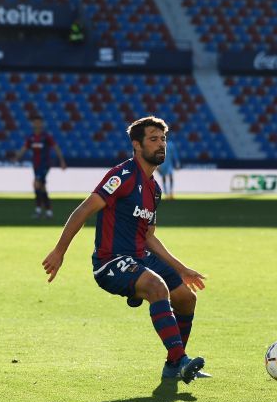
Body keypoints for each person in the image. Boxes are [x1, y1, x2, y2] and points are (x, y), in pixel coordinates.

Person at [41, 116, 208, 383]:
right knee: (157, 287)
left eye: (163, 139)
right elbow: (84, 209)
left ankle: (173, 365)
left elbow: (150, 237)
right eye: (153, 139)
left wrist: (181, 269)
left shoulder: (154, 189)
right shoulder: (122, 176)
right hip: (111, 261)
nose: (161, 144)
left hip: (141, 257)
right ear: (137, 145)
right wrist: (59, 251)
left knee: (186, 298)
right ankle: (180, 360)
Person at [14, 115, 67, 219]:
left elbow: (56, 148)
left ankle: (38, 210)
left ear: (42, 124)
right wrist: (16, 157)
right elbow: (24, 148)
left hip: (44, 165)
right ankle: (48, 211)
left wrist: (62, 161)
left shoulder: (46, 137)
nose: (37, 124)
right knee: (41, 188)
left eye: (39, 122)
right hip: (36, 165)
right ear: (33, 124)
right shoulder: (31, 138)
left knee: (36, 184)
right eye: (35, 122)